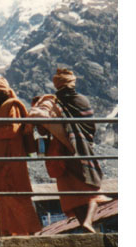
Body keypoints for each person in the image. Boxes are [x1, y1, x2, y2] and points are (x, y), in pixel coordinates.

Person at [30, 69, 107, 233]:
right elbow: (89, 126)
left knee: (74, 195)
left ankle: (84, 224)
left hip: (60, 155)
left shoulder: (54, 104)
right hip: (81, 151)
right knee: (93, 190)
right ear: (72, 83)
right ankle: (87, 222)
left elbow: (40, 122)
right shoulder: (82, 100)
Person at [0, 76, 42, 236]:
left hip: (13, 159)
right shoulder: (0, 108)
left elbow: (12, 130)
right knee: (4, 199)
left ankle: (30, 231)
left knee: (17, 197)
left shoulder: (11, 106)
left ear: (4, 91)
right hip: (3, 160)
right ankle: (7, 233)